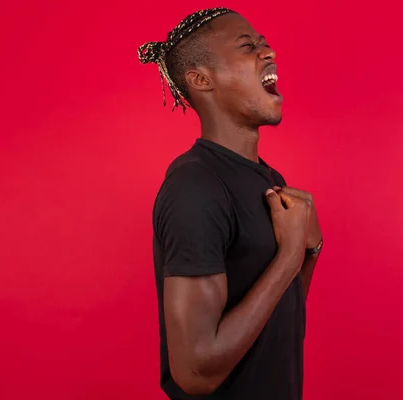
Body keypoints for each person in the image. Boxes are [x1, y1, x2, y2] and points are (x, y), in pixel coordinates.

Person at [138, 7, 324, 400]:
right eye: (247, 47)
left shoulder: (270, 180)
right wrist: (290, 255)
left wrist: (309, 252)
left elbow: (277, 319)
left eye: (264, 44)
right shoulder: (196, 186)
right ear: (202, 79)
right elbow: (196, 372)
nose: (268, 53)